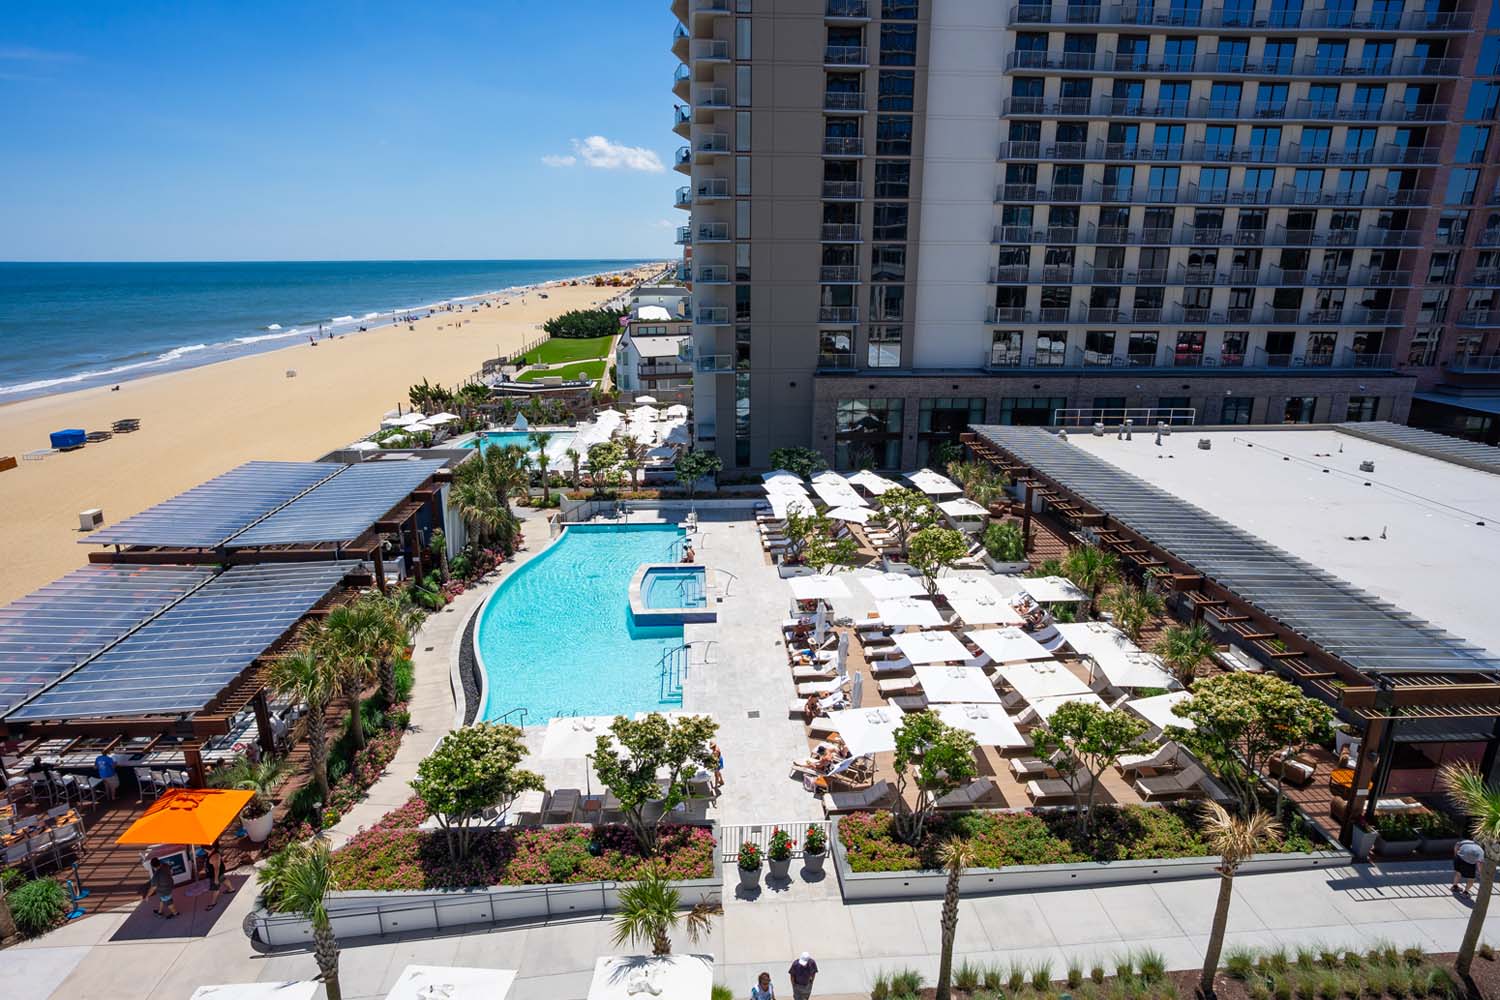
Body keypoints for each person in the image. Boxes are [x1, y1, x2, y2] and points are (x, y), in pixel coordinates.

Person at [204, 844, 232, 911]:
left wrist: (216, 879)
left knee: (215, 888)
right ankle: (231, 889)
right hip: (218, 873)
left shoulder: (215, 856)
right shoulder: (211, 853)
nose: (203, 850)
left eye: (204, 849)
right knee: (223, 879)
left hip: (215, 875)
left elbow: (216, 869)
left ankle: (213, 903)